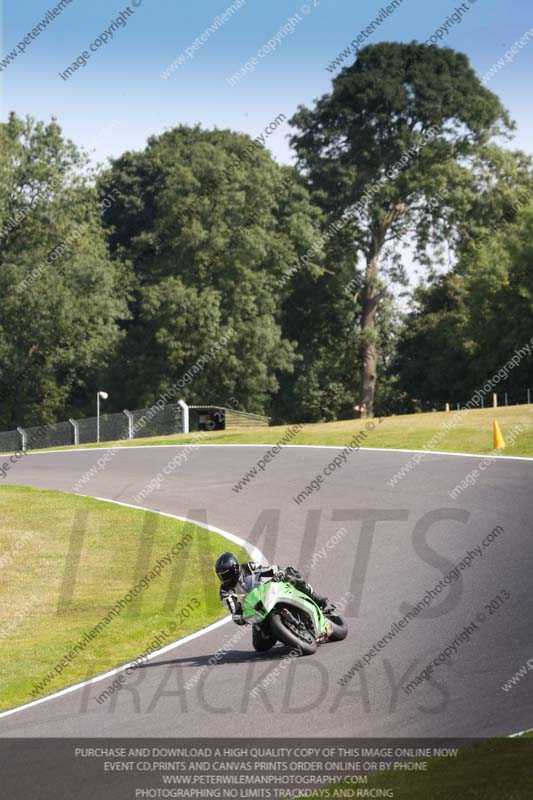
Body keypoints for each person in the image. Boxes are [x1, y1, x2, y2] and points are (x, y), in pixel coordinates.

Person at [214, 552, 332, 652]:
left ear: (235, 569)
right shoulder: (224, 592)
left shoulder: (249, 567)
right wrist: (239, 617)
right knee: (260, 647)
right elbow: (234, 610)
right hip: (256, 610)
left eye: (227, 575)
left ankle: (314, 596)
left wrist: (277, 572)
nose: (225, 579)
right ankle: (288, 633)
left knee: (290, 573)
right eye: (222, 576)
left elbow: (266, 570)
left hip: (267, 593)